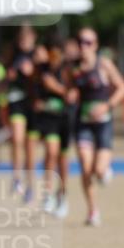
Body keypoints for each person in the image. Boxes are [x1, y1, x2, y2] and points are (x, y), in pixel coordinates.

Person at [70, 27, 124, 226]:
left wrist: (107, 105)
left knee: (99, 170)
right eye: (80, 42)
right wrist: (69, 94)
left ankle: (104, 171)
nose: (83, 46)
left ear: (95, 45)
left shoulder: (104, 65)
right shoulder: (74, 68)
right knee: (85, 169)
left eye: (88, 42)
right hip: (83, 122)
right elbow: (70, 90)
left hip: (103, 123)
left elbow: (123, 88)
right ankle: (93, 211)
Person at [33, 34, 75, 219]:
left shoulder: (68, 71)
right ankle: (48, 193)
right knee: (50, 152)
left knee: (63, 161)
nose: (54, 59)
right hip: (48, 120)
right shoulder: (41, 70)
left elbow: (72, 96)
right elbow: (34, 93)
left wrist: (55, 88)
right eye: (51, 55)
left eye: (57, 55)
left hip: (65, 118)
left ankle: (62, 196)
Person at [5, 25, 38, 202]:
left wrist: (33, 72)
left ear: (34, 38)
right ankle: (16, 177)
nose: (24, 42)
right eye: (21, 39)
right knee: (17, 139)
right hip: (16, 101)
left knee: (30, 150)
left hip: (32, 105)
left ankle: (30, 185)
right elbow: (4, 76)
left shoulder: (39, 55)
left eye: (28, 38)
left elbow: (45, 78)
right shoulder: (12, 54)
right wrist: (8, 76)